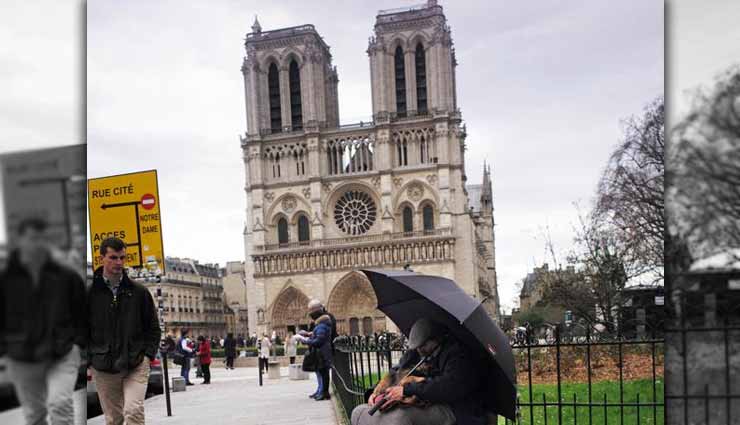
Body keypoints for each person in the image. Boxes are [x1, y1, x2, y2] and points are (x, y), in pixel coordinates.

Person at [0, 217, 87, 425]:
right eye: (32, 238)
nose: (37, 243)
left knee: (60, 404)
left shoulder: (66, 276)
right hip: (21, 356)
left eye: (41, 238)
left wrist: (78, 343)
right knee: (35, 415)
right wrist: (5, 350)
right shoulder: (6, 279)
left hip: (62, 352)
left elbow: (82, 311)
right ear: (19, 240)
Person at [351, 318, 485, 425]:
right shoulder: (415, 352)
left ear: (436, 340)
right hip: (419, 400)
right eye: (416, 347)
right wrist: (374, 393)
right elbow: (395, 372)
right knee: (358, 412)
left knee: (399, 418)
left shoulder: (456, 354)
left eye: (423, 346)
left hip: (451, 407)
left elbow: (448, 387)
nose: (419, 350)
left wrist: (406, 390)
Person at [88, 237, 161, 425]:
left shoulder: (139, 292)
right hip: (102, 365)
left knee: (133, 410)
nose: (119, 262)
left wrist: (147, 355)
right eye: (113, 257)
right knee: (114, 419)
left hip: (135, 362)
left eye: (122, 257)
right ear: (101, 257)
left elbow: (153, 328)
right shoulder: (88, 295)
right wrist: (89, 360)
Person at [307, 299, 337, 399]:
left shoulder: (326, 319)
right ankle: (320, 390)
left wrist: (307, 339)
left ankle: (324, 392)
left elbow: (325, 336)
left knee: (323, 371)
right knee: (319, 371)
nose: (310, 313)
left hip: (324, 349)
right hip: (318, 349)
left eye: (311, 310)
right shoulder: (319, 320)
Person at [302, 314, 333, 401]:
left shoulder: (322, 326)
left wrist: (307, 341)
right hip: (323, 352)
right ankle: (321, 391)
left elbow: (319, 340)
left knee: (323, 373)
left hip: (321, 353)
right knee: (322, 373)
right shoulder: (324, 326)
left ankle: (323, 392)